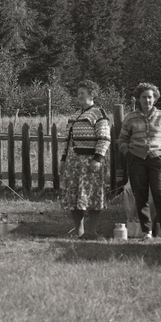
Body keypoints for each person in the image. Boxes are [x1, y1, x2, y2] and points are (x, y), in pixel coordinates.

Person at [117, 82, 161, 240]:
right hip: (137, 160)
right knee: (140, 195)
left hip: (157, 160)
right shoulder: (131, 118)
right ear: (138, 99)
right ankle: (147, 232)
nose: (147, 101)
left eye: (150, 97)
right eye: (144, 97)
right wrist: (128, 154)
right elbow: (122, 139)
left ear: (155, 98)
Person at [60, 80, 111, 239]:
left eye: (83, 93)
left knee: (93, 195)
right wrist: (63, 160)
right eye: (78, 93)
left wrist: (97, 158)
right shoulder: (74, 116)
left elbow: (104, 139)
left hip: (91, 162)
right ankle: (79, 231)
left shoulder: (98, 113)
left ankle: (92, 231)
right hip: (73, 162)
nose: (79, 96)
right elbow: (68, 141)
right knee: (74, 196)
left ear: (92, 94)